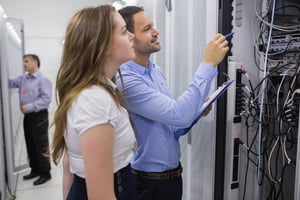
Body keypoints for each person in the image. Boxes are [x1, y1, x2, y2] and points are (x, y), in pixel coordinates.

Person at [117, 6, 229, 200]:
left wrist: (196, 111)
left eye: (153, 26)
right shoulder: (126, 80)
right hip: (147, 185)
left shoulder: (156, 71)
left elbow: (174, 127)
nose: (156, 31)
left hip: (172, 178)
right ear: (129, 37)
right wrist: (208, 63)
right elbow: (178, 114)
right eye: (146, 29)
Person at [51, 5, 137, 200]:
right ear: (103, 45)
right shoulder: (94, 99)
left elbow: (68, 165)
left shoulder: (97, 91)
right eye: (124, 31)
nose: (132, 36)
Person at [8, 54, 52, 186]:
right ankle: (35, 169)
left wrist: (29, 106)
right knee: (30, 143)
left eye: (26, 61)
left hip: (39, 116)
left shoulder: (43, 80)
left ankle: (45, 173)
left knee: (41, 144)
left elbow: (46, 99)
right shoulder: (23, 79)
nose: (24, 64)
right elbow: (10, 83)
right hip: (28, 116)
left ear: (35, 63)